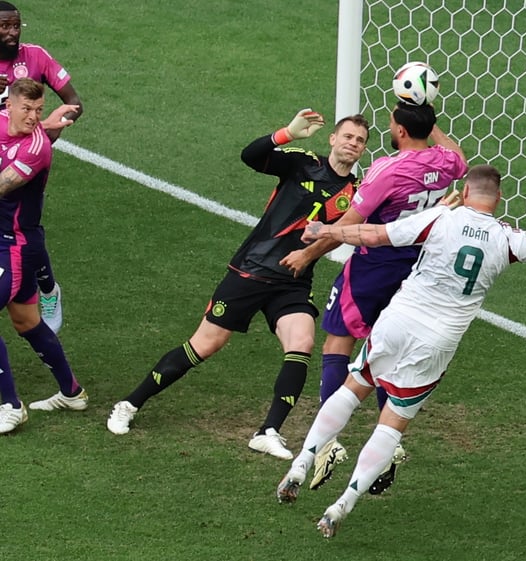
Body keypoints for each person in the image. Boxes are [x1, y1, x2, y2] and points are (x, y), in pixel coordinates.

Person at [276, 164, 526, 538]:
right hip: (438, 340)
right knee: (392, 422)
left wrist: (326, 230)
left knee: (353, 386)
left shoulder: (442, 217)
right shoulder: (508, 238)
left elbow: (374, 234)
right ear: (499, 199)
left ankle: (302, 461)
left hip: (399, 319)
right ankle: (343, 503)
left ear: (466, 191)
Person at [106, 109, 370, 461]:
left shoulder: (356, 193)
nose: (353, 143)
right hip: (252, 270)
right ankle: (129, 403)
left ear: (363, 150)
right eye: (348, 136)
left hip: (292, 280)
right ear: (333, 139)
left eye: (360, 140)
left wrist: (315, 247)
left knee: (302, 341)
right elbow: (251, 156)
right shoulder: (304, 163)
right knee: (205, 344)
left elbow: (346, 234)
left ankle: (268, 431)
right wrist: (286, 134)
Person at [280, 101, 467, 493]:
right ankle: (389, 441)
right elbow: (459, 158)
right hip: (417, 270)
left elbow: (347, 226)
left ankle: (327, 442)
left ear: (399, 130)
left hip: (373, 266)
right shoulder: (445, 163)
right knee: (385, 351)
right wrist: (429, 122)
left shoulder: (388, 169)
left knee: (338, 341)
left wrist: (307, 252)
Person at [0, 78, 85, 433]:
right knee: (26, 322)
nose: (35, 117)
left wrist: (46, 129)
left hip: (15, 244)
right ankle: (72, 392)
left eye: (39, 111)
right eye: (27, 109)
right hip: (13, 242)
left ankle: (10, 405)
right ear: (9, 107)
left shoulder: (37, 148)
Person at [0, 2, 84, 333]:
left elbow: (74, 103)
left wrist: (45, 137)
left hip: (27, 162)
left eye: (16, 25)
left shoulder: (35, 56)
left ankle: (47, 289)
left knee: (23, 226)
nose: (12, 32)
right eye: (5, 26)